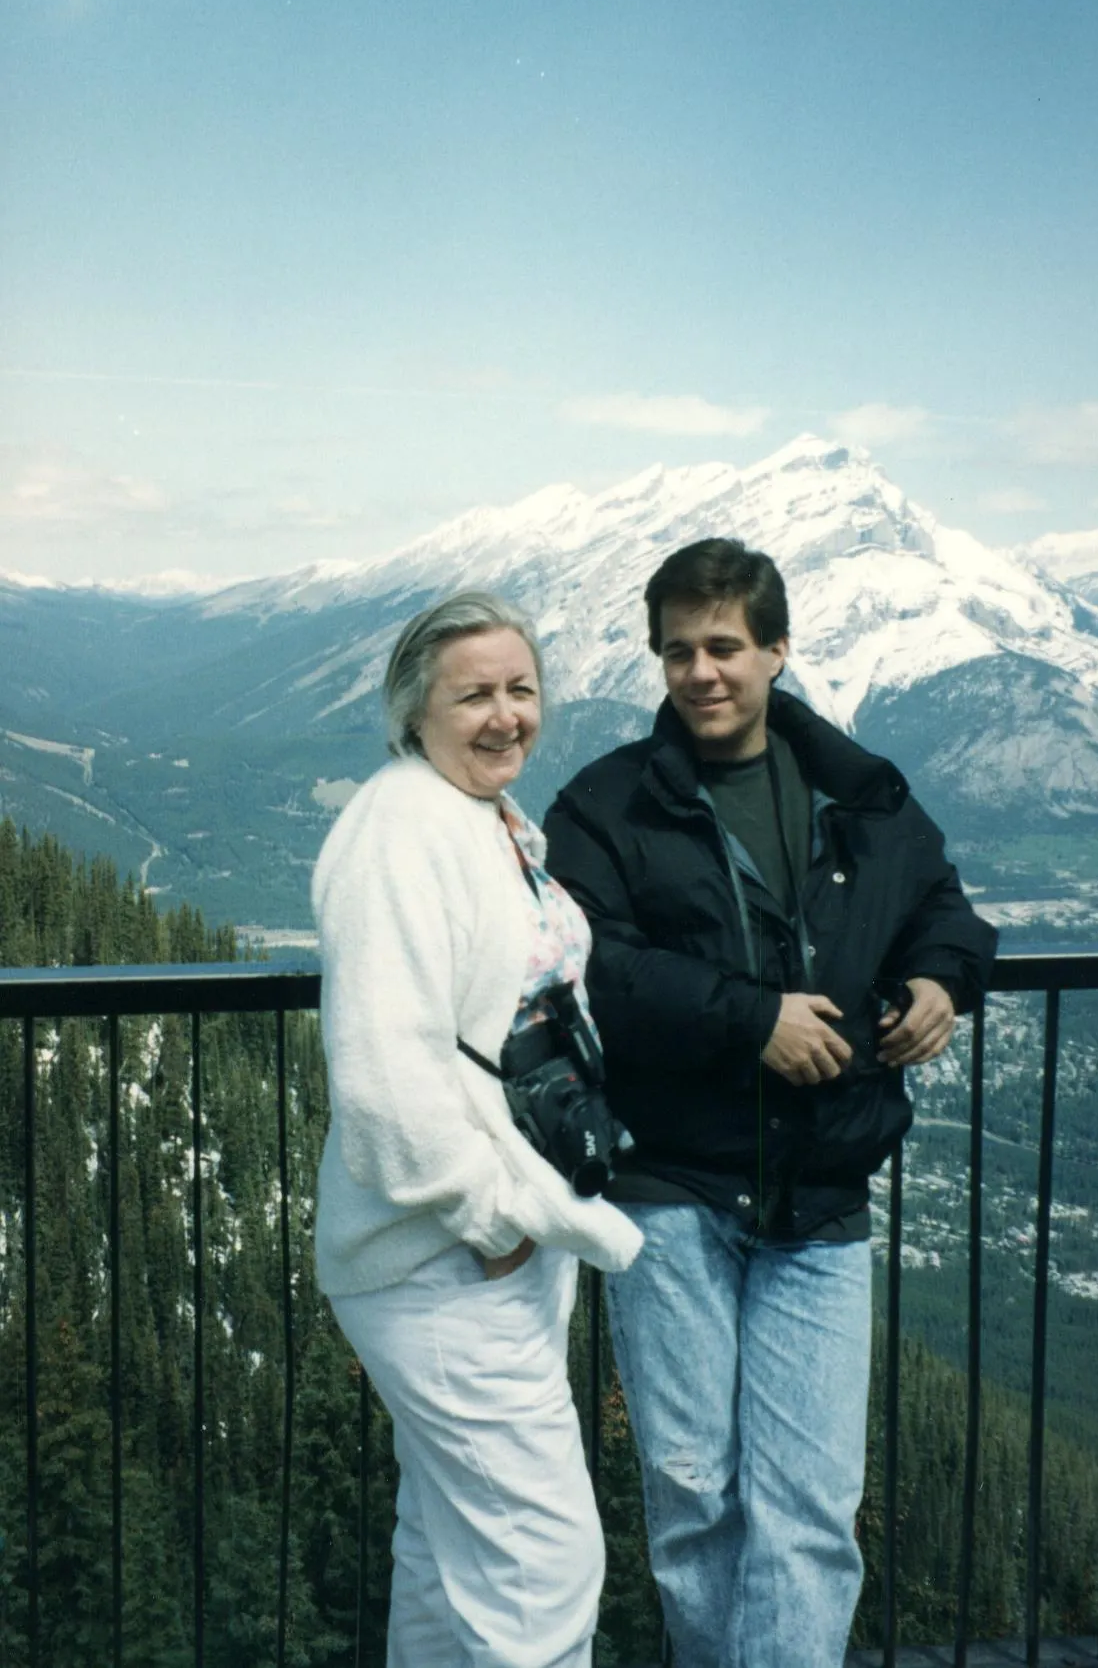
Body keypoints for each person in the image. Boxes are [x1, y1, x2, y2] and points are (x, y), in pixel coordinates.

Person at [543, 537, 997, 1668]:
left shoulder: (861, 794)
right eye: (677, 652)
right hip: (671, 1188)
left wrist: (944, 975)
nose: (701, 672)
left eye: (725, 647)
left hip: (819, 1189)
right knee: (693, 1499)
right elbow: (592, 966)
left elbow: (943, 904)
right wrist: (754, 1019)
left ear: (778, 651)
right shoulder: (604, 808)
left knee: (808, 1512)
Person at [313, 590, 643, 1668]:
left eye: (520, 689)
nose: (504, 715)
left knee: (450, 1543)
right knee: (542, 1560)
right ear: (415, 712)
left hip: (489, 1243)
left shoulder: (476, 815)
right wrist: (488, 1212)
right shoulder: (400, 830)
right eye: (473, 696)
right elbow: (383, 1077)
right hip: (444, 1251)